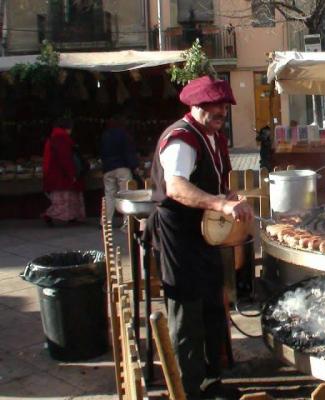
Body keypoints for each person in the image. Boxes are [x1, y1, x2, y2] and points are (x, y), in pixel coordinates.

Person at [146, 76, 253, 400]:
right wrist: (220, 203)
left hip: (205, 233)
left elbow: (215, 178)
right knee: (186, 310)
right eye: (212, 106)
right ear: (195, 105)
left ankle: (211, 381)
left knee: (211, 303)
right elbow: (176, 187)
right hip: (180, 234)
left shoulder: (213, 136)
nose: (220, 111)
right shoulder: (181, 139)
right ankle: (187, 390)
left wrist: (227, 195)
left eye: (223, 106)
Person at [42, 118, 86, 226]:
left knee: (65, 199)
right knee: (66, 199)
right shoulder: (62, 138)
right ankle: (52, 215)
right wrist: (72, 173)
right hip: (62, 174)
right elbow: (65, 158)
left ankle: (71, 217)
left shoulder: (54, 137)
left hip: (57, 173)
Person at [100, 114, 139, 226]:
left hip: (108, 168)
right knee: (126, 195)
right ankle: (127, 223)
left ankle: (106, 222)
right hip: (122, 167)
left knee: (109, 195)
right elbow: (128, 152)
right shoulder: (124, 135)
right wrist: (134, 165)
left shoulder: (105, 135)